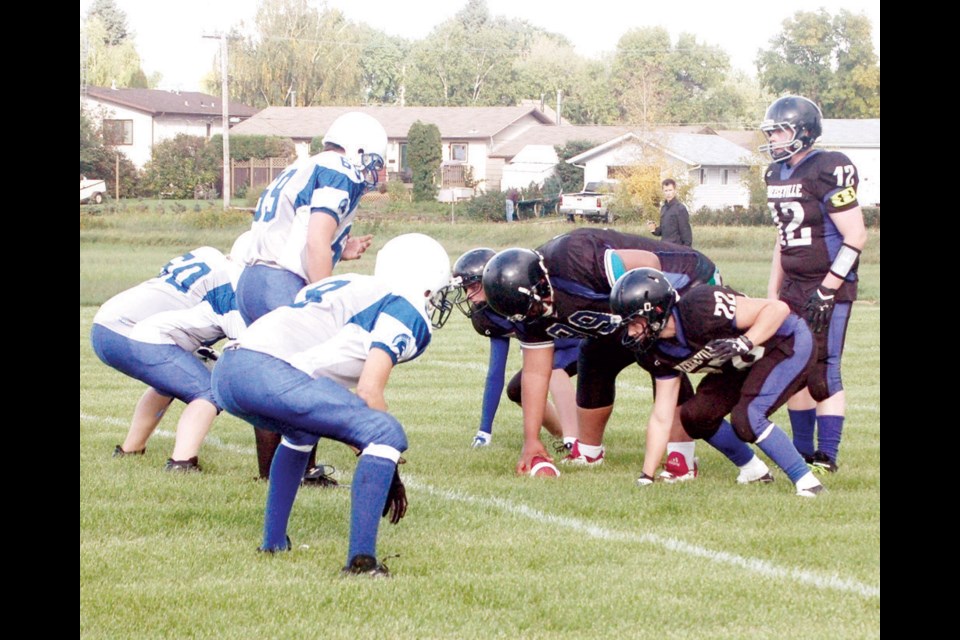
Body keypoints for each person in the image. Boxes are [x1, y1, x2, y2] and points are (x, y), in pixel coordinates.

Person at [212, 234, 454, 576]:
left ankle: (273, 542)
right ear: (426, 283)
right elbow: (370, 391)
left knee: (301, 432)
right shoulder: (405, 305)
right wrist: (390, 468)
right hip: (268, 370)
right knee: (385, 431)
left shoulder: (345, 283)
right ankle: (362, 562)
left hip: (228, 371)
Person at [481, 228, 771, 484]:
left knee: (659, 353)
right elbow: (535, 372)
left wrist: (639, 318)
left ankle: (682, 457)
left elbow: (648, 267)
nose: (535, 315)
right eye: (527, 313)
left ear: (541, 282)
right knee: (595, 353)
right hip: (622, 310)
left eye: (535, 306)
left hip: (681, 283)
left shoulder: (575, 257)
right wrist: (531, 442)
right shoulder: (524, 305)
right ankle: (589, 450)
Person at [234, 111, 388, 481]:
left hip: (252, 280)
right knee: (311, 372)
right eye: (377, 162)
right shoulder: (341, 170)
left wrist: (340, 248)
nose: (377, 173)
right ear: (360, 150)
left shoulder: (303, 166)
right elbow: (315, 240)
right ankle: (302, 469)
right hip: (280, 282)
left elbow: (302, 231)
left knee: (271, 374)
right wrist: (325, 299)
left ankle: (273, 472)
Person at [610, 268, 824, 497]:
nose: (630, 332)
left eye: (634, 322)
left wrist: (745, 341)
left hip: (785, 342)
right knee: (696, 415)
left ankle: (808, 482)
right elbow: (662, 416)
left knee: (749, 416)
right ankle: (753, 471)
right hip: (742, 362)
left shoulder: (700, 306)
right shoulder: (654, 351)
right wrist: (647, 476)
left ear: (656, 311)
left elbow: (778, 308)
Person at [759, 95, 868, 473]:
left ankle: (827, 456)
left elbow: (855, 236)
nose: (774, 138)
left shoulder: (829, 167)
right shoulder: (775, 173)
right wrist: (773, 292)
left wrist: (828, 287)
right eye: (771, 131)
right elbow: (782, 240)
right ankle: (803, 451)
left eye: (781, 130)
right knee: (794, 363)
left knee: (825, 366)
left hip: (828, 285)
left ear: (804, 132)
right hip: (792, 285)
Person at [91, 242, 241, 470]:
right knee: (209, 390)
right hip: (132, 330)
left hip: (104, 323)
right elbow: (245, 349)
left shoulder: (208, 254)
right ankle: (182, 462)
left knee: (172, 380)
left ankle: (131, 449)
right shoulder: (232, 288)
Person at [450, 248, 580, 449]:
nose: (468, 296)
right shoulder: (488, 316)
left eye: (473, 286)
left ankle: (574, 439)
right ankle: (562, 433)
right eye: (465, 288)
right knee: (516, 390)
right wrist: (484, 430)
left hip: (579, 344)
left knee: (553, 367)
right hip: (547, 353)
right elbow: (495, 372)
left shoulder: (524, 294)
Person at [647, 178, 692, 246]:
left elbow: (686, 234)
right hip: (665, 248)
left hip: (677, 249)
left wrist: (686, 252)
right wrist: (653, 229)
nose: (668, 193)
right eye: (666, 190)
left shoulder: (680, 208)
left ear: (674, 191)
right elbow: (662, 231)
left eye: (670, 190)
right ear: (663, 191)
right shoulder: (663, 208)